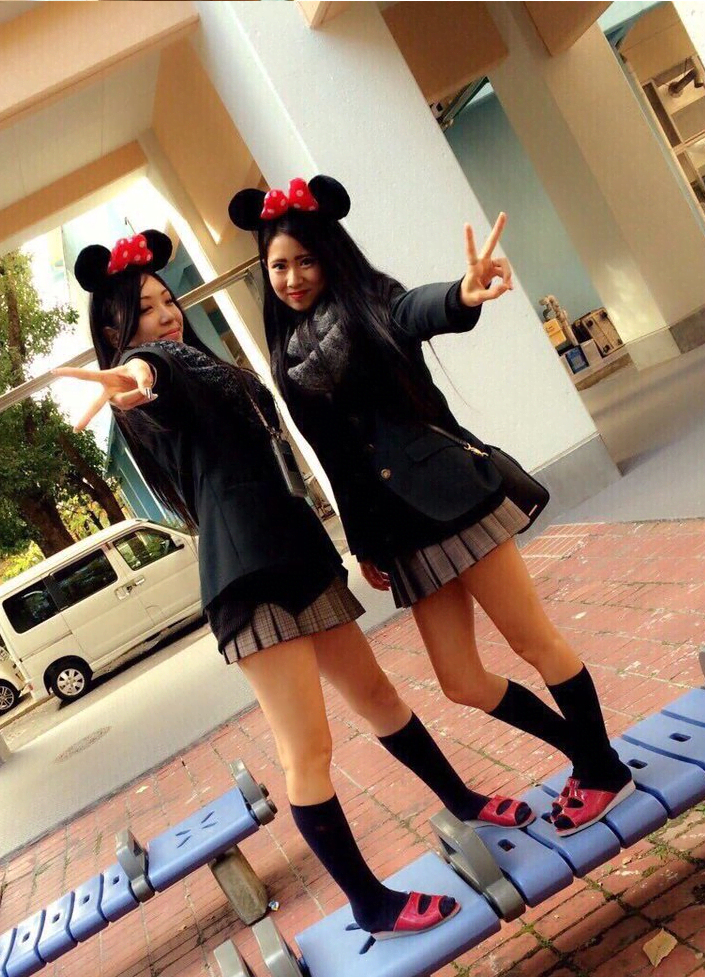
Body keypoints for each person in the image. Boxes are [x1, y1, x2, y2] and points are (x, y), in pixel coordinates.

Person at [55, 231, 531, 936]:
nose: (165, 316)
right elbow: (153, 380)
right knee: (308, 751)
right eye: (145, 310)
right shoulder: (157, 371)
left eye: (166, 301)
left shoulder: (206, 364)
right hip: (251, 581)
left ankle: (462, 799)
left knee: (379, 697)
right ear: (116, 331)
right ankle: (370, 904)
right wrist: (138, 378)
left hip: (301, 557)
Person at [229, 176, 634, 836]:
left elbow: (416, 311)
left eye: (305, 260)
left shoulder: (370, 302)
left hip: (455, 500)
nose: (293, 277)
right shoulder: (289, 357)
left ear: (329, 255)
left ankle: (603, 769)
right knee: (460, 680)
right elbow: (335, 458)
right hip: (401, 533)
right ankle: (587, 754)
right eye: (279, 266)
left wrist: (462, 294)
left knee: (533, 640)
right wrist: (363, 541)